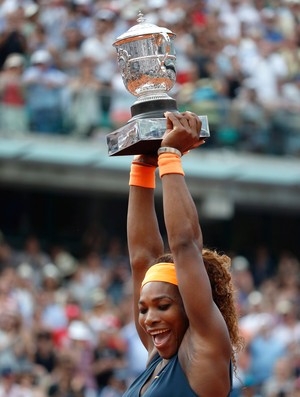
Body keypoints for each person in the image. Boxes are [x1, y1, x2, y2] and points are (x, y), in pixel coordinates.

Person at [125, 111, 243, 397]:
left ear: (190, 303)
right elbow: (142, 258)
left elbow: (185, 245)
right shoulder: (158, 357)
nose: (149, 318)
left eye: (163, 306)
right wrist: (142, 167)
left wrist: (169, 155)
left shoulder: (204, 348)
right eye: (144, 309)